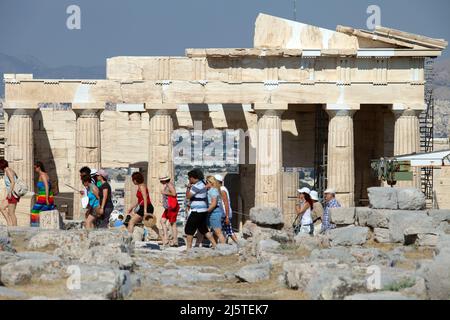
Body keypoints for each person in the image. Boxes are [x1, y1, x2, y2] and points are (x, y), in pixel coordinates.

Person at [184, 169, 217, 251]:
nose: (189, 180)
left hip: (197, 211)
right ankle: (215, 245)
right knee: (203, 229)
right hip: (203, 210)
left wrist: (188, 188)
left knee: (189, 229)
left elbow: (188, 196)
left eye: (189, 178)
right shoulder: (203, 184)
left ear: (194, 178)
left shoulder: (196, 186)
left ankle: (188, 249)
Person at [215, 174, 239, 245]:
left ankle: (237, 245)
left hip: (225, 214)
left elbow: (226, 204)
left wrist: (227, 217)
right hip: (224, 213)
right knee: (228, 231)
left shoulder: (222, 190)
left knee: (227, 231)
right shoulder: (221, 189)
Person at [30, 161, 56, 227]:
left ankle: (35, 226)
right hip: (44, 196)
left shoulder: (42, 175)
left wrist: (46, 199)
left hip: (44, 197)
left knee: (34, 211)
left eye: (35, 168)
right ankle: (43, 226)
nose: (35, 169)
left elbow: (47, 186)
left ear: (39, 167)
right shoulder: (44, 174)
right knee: (44, 210)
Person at [159, 176, 179, 247]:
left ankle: (175, 241)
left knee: (172, 223)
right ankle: (166, 238)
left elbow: (174, 194)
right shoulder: (167, 185)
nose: (160, 182)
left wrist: (164, 192)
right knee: (162, 221)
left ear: (164, 180)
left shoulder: (169, 184)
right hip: (168, 207)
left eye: (161, 180)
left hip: (171, 207)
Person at [205, 176, 226, 244]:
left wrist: (206, 211)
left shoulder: (213, 190)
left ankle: (224, 248)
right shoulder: (212, 190)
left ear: (211, 183)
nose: (205, 184)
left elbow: (214, 204)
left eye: (206, 182)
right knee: (215, 232)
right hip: (213, 212)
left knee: (218, 232)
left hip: (214, 213)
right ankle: (216, 246)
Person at [0, 159, 20, 226]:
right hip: (11, 193)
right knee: (2, 207)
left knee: (11, 213)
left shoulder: (8, 171)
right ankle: (9, 223)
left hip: (13, 194)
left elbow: (13, 182)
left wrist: (9, 192)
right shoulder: (10, 170)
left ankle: (15, 229)